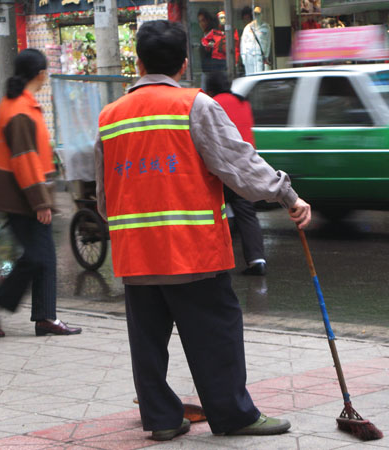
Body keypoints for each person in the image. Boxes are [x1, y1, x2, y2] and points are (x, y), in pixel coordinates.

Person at [95, 20, 310, 441]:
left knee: (148, 343)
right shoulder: (195, 105)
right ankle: (233, 416)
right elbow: (239, 165)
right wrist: (288, 195)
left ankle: (160, 419)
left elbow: (104, 198)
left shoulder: (110, 117)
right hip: (191, 251)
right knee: (217, 332)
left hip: (136, 254)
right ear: (184, 62)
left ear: (138, 62)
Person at [0, 49, 82, 338]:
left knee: (43, 256)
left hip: (24, 193)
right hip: (22, 196)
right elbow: (24, 159)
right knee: (37, 257)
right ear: (41, 74)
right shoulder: (20, 109)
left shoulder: (21, 102)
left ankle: (46, 317)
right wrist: (40, 201)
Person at [206, 71, 266, 276]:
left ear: (210, 88)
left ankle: (215, 264)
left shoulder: (211, 103)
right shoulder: (243, 102)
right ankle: (257, 260)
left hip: (222, 169)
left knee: (213, 212)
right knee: (247, 214)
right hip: (246, 167)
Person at [240, 6, 272, 75]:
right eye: (255, 14)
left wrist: (266, 56)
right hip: (249, 56)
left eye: (258, 14)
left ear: (262, 14)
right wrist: (243, 57)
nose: (257, 16)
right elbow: (243, 43)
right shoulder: (248, 27)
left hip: (259, 56)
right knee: (249, 76)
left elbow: (268, 42)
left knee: (259, 75)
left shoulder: (266, 27)